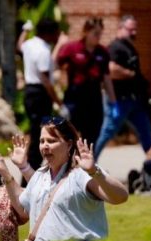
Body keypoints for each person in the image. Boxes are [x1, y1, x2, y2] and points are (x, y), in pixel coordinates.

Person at [0, 117, 128, 241]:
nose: (45, 146)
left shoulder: (82, 173)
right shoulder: (40, 174)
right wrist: (8, 175)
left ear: (69, 144)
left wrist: (94, 171)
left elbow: (120, 197)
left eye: (51, 141)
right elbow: (23, 210)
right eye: (42, 141)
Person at [95, 15, 151, 156]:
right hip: (119, 100)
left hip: (134, 100)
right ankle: (87, 164)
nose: (134, 32)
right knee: (107, 132)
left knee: (146, 133)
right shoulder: (115, 47)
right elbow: (111, 69)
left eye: (135, 29)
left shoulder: (129, 47)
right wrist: (130, 74)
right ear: (120, 28)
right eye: (130, 29)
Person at [56, 17, 116, 145]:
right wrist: (60, 44)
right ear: (86, 32)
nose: (99, 36)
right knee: (69, 134)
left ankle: (86, 163)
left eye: (100, 33)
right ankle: (67, 162)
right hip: (75, 97)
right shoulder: (72, 48)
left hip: (94, 97)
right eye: (95, 33)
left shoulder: (102, 52)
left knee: (92, 135)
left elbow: (106, 77)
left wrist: (113, 101)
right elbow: (56, 65)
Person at [19, 19, 66, 169]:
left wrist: (25, 30)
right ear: (48, 34)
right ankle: (29, 176)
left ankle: (29, 174)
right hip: (40, 95)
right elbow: (46, 81)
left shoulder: (30, 44)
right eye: (56, 33)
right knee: (39, 136)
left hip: (29, 93)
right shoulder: (43, 51)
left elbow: (19, 45)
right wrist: (59, 103)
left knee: (36, 133)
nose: (57, 36)